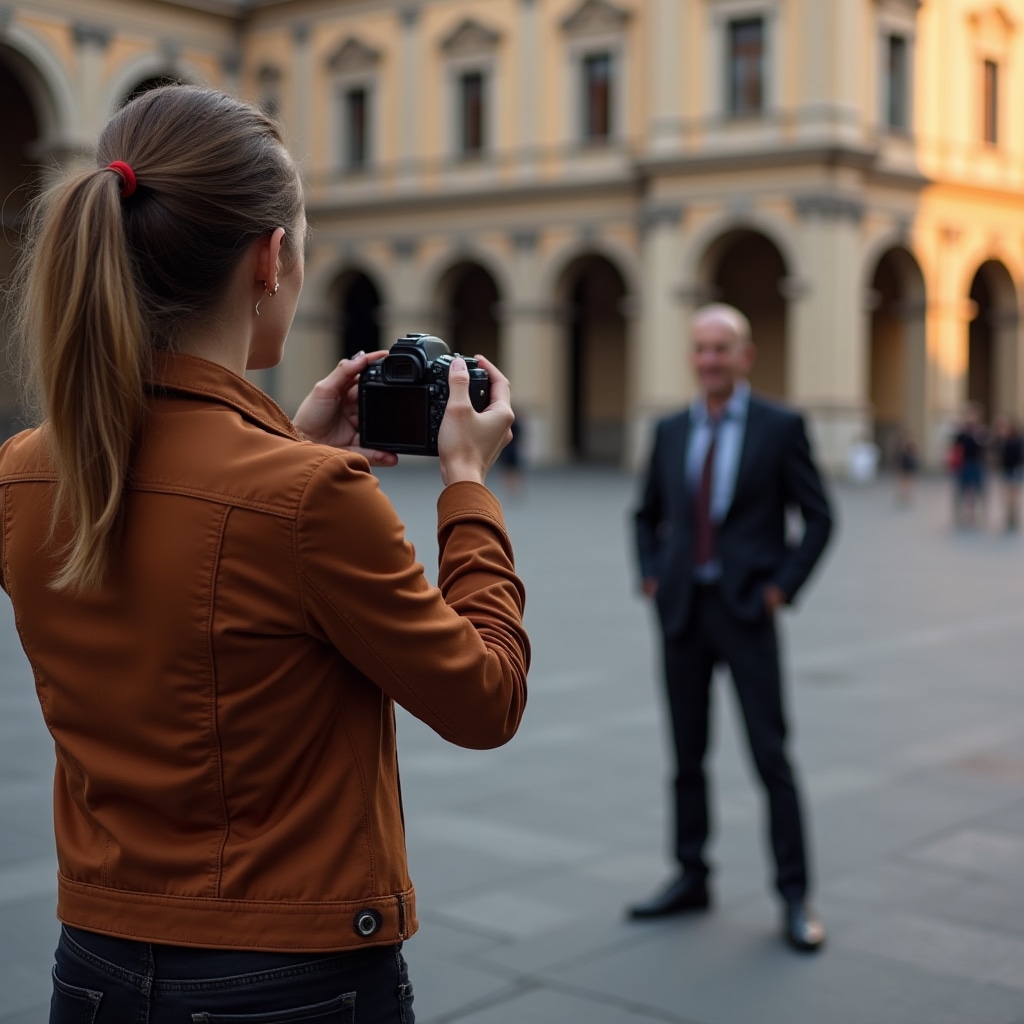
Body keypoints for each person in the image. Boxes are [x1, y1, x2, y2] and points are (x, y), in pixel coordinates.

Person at [1, 85, 529, 1023]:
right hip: (289, 980)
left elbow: (180, 531)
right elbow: (485, 701)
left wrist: (283, 442)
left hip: (92, 966)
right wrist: (467, 485)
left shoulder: (24, 473)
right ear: (271, 256)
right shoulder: (309, 500)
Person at [630, 304, 833, 953]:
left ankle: (796, 897)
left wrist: (781, 588)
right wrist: (652, 575)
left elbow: (820, 518)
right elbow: (644, 514)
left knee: (771, 757)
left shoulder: (780, 426)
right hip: (684, 613)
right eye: (701, 349)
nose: (710, 359)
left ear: (745, 356)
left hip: (747, 612)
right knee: (686, 758)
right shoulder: (667, 430)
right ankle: (691, 875)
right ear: (692, 357)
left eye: (722, 348)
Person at [951, 403, 987, 528]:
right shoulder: (961, 432)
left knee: (978, 489)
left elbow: (984, 447)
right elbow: (955, 446)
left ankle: (975, 513)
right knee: (961, 489)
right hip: (964, 464)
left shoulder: (981, 431)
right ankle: (959, 512)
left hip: (976, 463)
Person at [993, 415, 1024, 531]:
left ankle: (1014, 517)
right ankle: (1009, 517)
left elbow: (1019, 456)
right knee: (1007, 496)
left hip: (1015, 470)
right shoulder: (1001, 440)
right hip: (1006, 470)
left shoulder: (1016, 440)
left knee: (1014, 496)